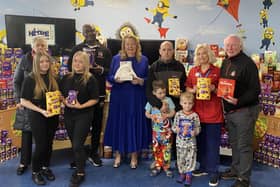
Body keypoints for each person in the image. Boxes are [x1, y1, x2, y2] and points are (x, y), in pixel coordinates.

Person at [68, 24, 112, 167]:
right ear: (83, 33)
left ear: (96, 32)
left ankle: (94, 153)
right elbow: (70, 68)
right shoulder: (77, 49)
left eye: (91, 31)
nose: (89, 33)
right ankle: (78, 154)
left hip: (98, 93)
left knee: (97, 124)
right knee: (78, 127)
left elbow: (111, 71)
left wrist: (100, 69)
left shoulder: (105, 50)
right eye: (86, 31)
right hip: (79, 95)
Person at [104, 34, 151, 169]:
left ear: (137, 45)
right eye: (127, 44)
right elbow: (110, 76)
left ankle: (134, 155)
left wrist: (141, 81)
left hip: (136, 97)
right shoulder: (116, 59)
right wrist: (115, 79)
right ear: (123, 46)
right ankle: (118, 154)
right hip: (119, 96)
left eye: (133, 44)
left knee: (134, 123)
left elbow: (148, 79)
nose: (130, 46)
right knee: (119, 123)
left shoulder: (144, 60)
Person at [220, 34, 260, 187]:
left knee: (244, 145)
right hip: (230, 112)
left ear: (240, 46)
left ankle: (244, 178)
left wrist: (239, 101)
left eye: (233, 45)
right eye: (227, 45)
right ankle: (235, 170)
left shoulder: (248, 63)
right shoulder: (225, 62)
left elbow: (255, 90)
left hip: (245, 110)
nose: (230, 48)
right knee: (234, 143)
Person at [186, 44, 224, 187]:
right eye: (199, 54)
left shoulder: (217, 71)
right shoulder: (193, 71)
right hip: (197, 113)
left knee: (213, 144)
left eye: (204, 53)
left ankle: (214, 171)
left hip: (213, 113)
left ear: (209, 55)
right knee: (200, 142)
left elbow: (224, 90)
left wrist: (214, 88)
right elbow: (187, 87)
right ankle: (202, 167)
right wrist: (193, 90)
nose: (201, 56)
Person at [60, 51, 99, 187]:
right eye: (75, 61)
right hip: (69, 114)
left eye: (80, 61)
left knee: (77, 144)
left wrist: (81, 106)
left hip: (84, 114)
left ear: (86, 64)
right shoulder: (66, 78)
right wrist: (64, 101)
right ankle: (79, 160)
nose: (77, 64)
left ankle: (80, 173)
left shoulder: (90, 79)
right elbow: (60, 94)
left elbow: (95, 99)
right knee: (74, 143)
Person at [20, 52, 59, 185]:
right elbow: (24, 101)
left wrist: (59, 99)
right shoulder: (30, 79)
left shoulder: (53, 77)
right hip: (38, 114)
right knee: (41, 145)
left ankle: (45, 167)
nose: (45, 64)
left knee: (49, 143)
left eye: (47, 61)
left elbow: (57, 95)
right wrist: (41, 110)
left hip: (52, 114)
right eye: (41, 62)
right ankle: (36, 171)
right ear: (36, 63)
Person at [146, 40, 186, 166]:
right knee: (158, 134)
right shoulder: (154, 67)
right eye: (164, 50)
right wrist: (159, 105)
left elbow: (185, 86)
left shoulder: (180, 66)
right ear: (159, 51)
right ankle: (158, 159)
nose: (167, 52)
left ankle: (173, 160)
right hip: (159, 109)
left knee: (174, 134)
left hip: (175, 107)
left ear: (173, 51)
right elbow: (148, 90)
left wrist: (181, 94)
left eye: (169, 49)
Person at [13, 36, 48, 175]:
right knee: (27, 133)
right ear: (33, 47)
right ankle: (24, 163)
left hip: (43, 105)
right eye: (38, 45)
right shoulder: (24, 60)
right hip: (27, 102)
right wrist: (18, 100)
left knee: (42, 136)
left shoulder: (48, 60)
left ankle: (42, 164)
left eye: (43, 45)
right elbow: (16, 81)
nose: (41, 47)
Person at [145, 80, 175, 177]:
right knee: (156, 149)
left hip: (167, 131)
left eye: (164, 92)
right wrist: (151, 116)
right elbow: (146, 113)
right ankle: (158, 165)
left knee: (166, 149)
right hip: (156, 131)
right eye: (160, 93)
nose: (162, 95)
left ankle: (167, 166)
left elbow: (173, 112)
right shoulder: (152, 101)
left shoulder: (168, 100)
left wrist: (167, 115)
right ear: (154, 93)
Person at [172, 91, 201, 187]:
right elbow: (173, 127)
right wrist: (178, 129)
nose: (187, 105)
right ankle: (182, 173)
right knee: (181, 158)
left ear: (193, 104)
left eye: (189, 103)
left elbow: (198, 127)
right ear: (180, 103)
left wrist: (195, 132)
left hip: (191, 143)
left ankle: (188, 175)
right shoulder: (178, 114)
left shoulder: (195, 116)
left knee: (190, 158)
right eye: (185, 103)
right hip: (180, 143)